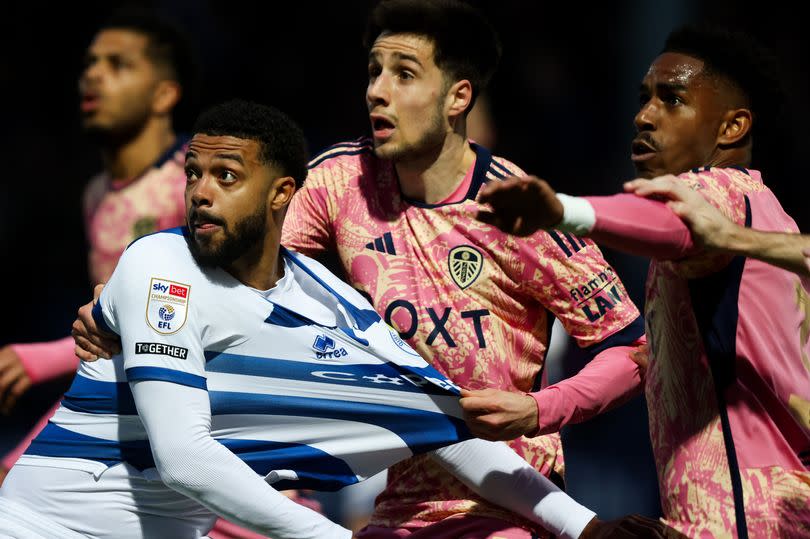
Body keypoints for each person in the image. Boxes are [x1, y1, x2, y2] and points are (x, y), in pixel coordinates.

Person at [73, 1, 679, 536]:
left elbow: (632, 349)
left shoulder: (518, 210)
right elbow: (230, 256)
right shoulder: (339, 181)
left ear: (458, 96)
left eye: (403, 74)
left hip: (511, 511)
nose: (376, 91)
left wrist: (540, 409)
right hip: (394, 511)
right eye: (373, 72)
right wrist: (125, 305)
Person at [465, 24, 810, 537]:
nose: (643, 116)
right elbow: (647, 358)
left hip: (743, 519)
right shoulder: (772, 217)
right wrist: (540, 410)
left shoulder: (716, 193)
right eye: (644, 97)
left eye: (672, 100)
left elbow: (672, 223)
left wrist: (563, 209)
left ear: (732, 127)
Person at [0, 6, 197, 483]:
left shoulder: (194, 184)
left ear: (164, 94)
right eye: (90, 63)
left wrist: (40, 358)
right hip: (123, 403)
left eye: (118, 65)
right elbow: (106, 332)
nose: (93, 75)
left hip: (196, 415)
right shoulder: (96, 195)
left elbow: (173, 324)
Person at [624, 175, 810, 278]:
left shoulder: (721, 187)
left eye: (673, 102)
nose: (642, 118)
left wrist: (727, 236)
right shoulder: (753, 188)